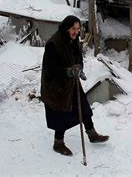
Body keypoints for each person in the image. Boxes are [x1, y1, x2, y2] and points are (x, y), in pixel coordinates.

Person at [41, 15, 109, 156]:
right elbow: (51, 70)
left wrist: (79, 70)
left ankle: (92, 135)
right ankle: (58, 143)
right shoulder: (54, 44)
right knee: (61, 115)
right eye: (73, 28)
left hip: (71, 82)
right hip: (56, 87)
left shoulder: (74, 41)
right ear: (66, 28)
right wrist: (69, 71)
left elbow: (78, 59)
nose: (76, 32)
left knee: (83, 108)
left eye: (78, 29)